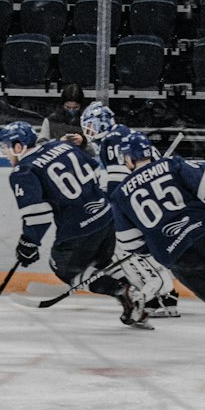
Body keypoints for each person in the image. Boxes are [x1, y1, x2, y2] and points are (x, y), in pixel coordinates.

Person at [0, 120, 157, 329]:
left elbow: (39, 215)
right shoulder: (63, 146)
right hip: (106, 217)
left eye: (6, 148)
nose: (6, 155)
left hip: (77, 229)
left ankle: (123, 291)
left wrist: (29, 242)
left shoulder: (23, 171)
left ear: (19, 147)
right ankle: (133, 300)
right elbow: (98, 173)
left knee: (63, 267)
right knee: (101, 263)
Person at [108, 133, 205, 326]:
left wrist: (153, 245)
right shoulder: (172, 164)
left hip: (175, 253)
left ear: (128, 158)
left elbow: (129, 241)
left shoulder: (120, 195)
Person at [80, 104, 180, 319]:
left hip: (138, 203)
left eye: (90, 127)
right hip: (158, 199)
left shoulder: (110, 142)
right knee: (151, 250)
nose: (89, 133)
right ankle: (166, 297)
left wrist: (108, 210)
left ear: (102, 123)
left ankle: (157, 294)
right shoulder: (126, 134)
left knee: (125, 250)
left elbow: (118, 183)